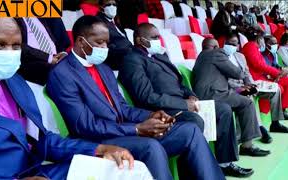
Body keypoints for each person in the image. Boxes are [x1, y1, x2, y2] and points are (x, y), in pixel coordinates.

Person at [46, 15, 225, 180]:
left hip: (123, 132)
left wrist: (151, 116)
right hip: (97, 141)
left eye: (106, 43)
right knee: (151, 147)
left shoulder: (103, 69)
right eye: (99, 43)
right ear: (80, 41)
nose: (104, 48)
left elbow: (122, 109)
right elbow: (85, 126)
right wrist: (137, 130)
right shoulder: (62, 74)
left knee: (190, 130)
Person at [0, 17, 135, 179]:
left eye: (16, 46)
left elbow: (42, 140)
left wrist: (98, 150)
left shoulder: (16, 83)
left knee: (114, 167)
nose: (9, 53)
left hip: (35, 172)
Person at [118, 23, 254, 178]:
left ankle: (224, 163)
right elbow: (146, 96)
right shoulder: (132, 60)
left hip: (183, 101)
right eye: (154, 37)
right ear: (140, 40)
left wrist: (190, 95)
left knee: (223, 109)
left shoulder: (160, 56)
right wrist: (184, 105)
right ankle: (191, 175)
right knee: (194, 120)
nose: (158, 41)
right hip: (163, 110)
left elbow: (179, 81)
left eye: (158, 37)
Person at [193, 38, 270, 158]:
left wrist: (238, 89)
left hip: (208, 94)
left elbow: (217, 78)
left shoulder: (201, 57)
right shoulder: (216, 53)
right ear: (216, 46)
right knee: (247, 103)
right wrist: (244, 71)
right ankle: (247, 146)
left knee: (243, 99)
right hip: (214, 95)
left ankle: (243, 141)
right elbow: (237, 73)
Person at [223, 34, 288, 142]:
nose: (233, 46)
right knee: (248, 96)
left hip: (250, 83)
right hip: (235, 87)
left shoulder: (239, 56)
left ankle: (275, 123)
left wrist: (251, 84)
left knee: (276, 89)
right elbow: (257, 65)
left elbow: (246, 73)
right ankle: (260, 128)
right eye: (230, 43)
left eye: (235, 43)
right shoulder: (221, 56)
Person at [242, 28, 288, 117]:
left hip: (264, 77)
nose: (263, 42)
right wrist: (277, 73)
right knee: (279, 87)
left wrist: (278, 73)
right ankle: (272, 117)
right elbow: (259, 65)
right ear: (259, 39)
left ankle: (284, 111)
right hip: (255, 79)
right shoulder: (250, 46)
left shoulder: (254, 47)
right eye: (262, 39)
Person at [16, 18, 70, 85]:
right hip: (31, 62)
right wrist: (49, 58)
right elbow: (16, 45)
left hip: (57, 59)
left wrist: (62, 53)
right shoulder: (9, 18)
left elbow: (63, 40)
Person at [97, 0, 134, 70]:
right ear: (101, 7)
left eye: (114, 5)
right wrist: (129, 51)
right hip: (117, 57)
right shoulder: (98, 22)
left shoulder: (115, 22)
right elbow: (106, 44)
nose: (112, 7)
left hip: (128, 53)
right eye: (109, 4)